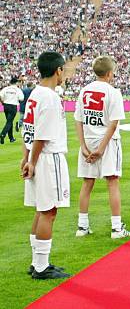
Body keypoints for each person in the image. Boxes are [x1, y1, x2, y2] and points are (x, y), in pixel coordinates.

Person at [21, 51, 71, 279]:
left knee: (41, 209)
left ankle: (37, 262)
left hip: (36, 156)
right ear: (58, 70)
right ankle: (41, 267)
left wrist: (26, 157)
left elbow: (28, 129)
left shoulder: (34, 94)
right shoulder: (50, 97)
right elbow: (42, 135)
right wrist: (31, 160)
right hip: (48, 158)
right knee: (49, 211)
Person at [74, 56, 130, 239]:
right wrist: (101, 148)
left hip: (89, 140)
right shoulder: (113, 92)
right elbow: (113, 124)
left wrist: (83, 146)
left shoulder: (84, 90)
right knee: (112, 182)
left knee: (87, 183)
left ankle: (82, 227)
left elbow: (78, 120)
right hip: (107, 142)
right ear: (109, 73)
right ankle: (116, 228)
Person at [1, 77, 24, 144]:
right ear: (16, 82)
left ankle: (11, 138)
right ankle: (2, 134)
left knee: (9, 121)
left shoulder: (5, 88)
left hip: (6, 105)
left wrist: (2, 101)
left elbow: (1, 95)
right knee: (9, 122)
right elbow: (21, 98)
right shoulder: (17, 89)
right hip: (13, 106)